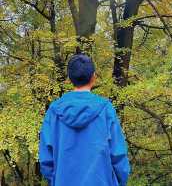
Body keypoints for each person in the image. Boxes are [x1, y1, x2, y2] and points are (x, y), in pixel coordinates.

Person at [39, 54, 130, 186]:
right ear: (93, 77)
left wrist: (56, 180)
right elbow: (119, 156)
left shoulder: (54, 111)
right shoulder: (105, 109)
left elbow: (46, 161)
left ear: (70, 78)